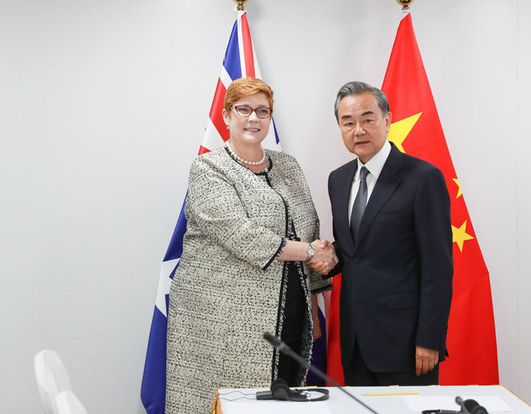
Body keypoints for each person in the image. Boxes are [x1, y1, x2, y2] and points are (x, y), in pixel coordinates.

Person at [165, 77, 336, 414]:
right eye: (244, 109)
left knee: (283, 400)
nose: (253, 118)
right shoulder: (209, 168)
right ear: (227, 116)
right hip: (222, 320)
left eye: (262, 111)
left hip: (290, 311)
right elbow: (243, 236)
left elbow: (308, 226)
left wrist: (314, 302)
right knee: (234, 403)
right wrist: (313, 252)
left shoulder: (289, 165)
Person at [313, 81, 453, 386]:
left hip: (407, 342)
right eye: (348, 122)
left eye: (367, 119)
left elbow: (438, 267)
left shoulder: (423, 178)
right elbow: (357, 250)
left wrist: (430, 338)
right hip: (355, 341)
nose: (358, 130)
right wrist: (331, 256)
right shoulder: (338, 180)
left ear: (387, 120)